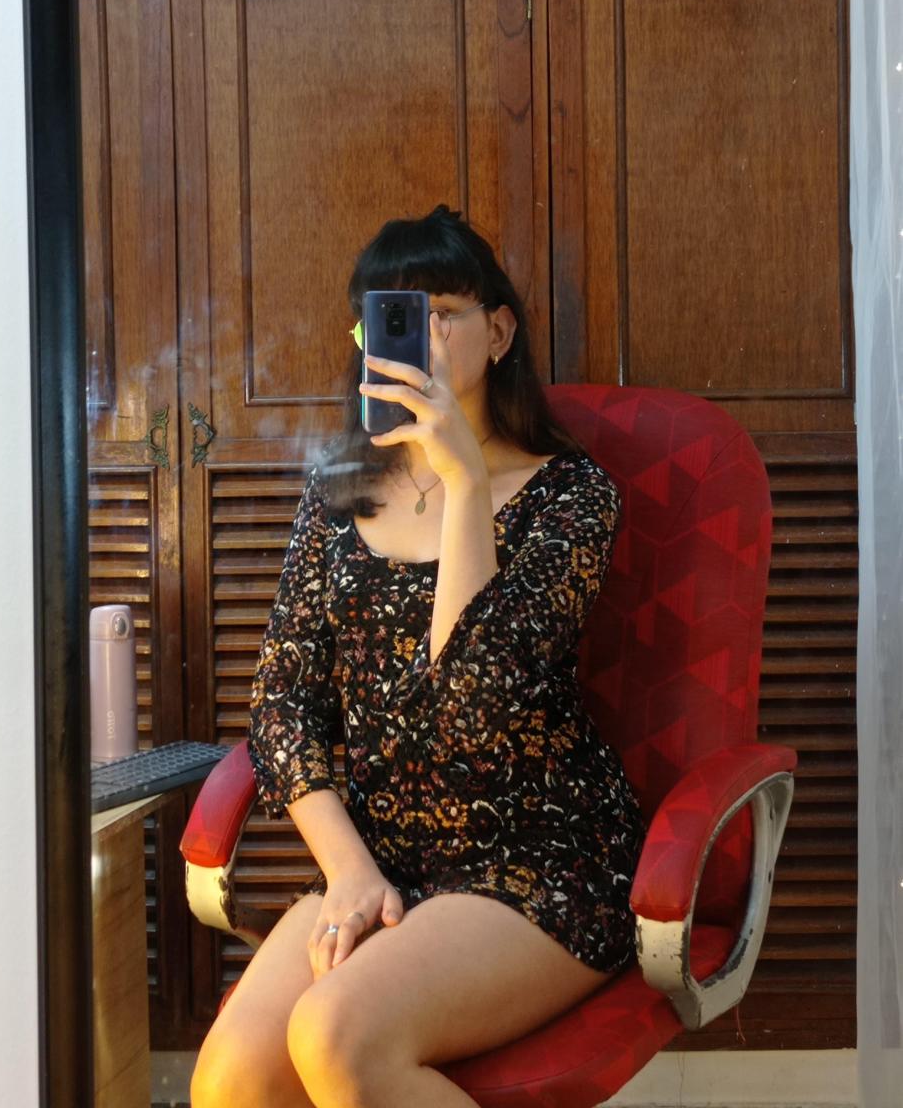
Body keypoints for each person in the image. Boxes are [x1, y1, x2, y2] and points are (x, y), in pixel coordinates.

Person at [190, 205, 645, 1108]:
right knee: (230, 1081)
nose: (419, 337)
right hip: (381, 855)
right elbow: (282, 703)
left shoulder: (570, 497)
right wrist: (348, 871)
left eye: (440, 313)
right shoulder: (337, 493)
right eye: (393, 317)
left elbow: (473, 704)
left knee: (337, 1038)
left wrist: (466, 480)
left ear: (498, 332)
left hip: (535, 854)